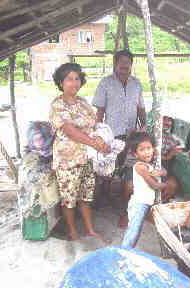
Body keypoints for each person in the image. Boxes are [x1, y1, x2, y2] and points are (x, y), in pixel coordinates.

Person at [49, 63, 109, 241]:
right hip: (67, 160)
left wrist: (100, 140)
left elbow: (94, 124)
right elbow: (69, 130)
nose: (74, 83)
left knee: (85, 196)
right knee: (69, 198)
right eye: (69, 79)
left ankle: (90, 230)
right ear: (61, 82)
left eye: (77, 79)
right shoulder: (57, 104)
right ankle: (73, 232)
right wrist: (94, 143)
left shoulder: (83, 102)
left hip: (86, 158)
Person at [119, 117, 181, 228]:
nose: (166, 126)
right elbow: (132, 159)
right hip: (134, 167)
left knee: (173, 185)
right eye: (163, 122)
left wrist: (167, 156)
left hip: (156, 167)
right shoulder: (140, 137)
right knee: (129, 186)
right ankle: (126, 212)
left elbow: (180, 148)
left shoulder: (171, 139)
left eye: (169, 124)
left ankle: (152, 209)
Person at [121, 132, 175, 248]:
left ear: (153, 149)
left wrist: (160, 172)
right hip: (139, 204)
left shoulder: (148, 165)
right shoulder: (140, 167)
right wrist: (165, 185)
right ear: (135, 154)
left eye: (149, 148)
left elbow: (163, 172)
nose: (146, 152)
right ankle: (125, 250)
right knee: (134, 230)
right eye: (142, 150)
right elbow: (154, 185)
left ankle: (127, 249)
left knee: (136, 229)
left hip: (145, 203)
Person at [92, 49, 146, 139]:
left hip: (132, 134)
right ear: (115, 64)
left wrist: (144, 127)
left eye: (127, 62)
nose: (124, 65)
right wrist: (99, 133)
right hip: (112, 134)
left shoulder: (136, 83)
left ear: (131, 65)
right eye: (121, 62)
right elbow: (100, 111)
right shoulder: (105, 83)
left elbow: (140, 108)